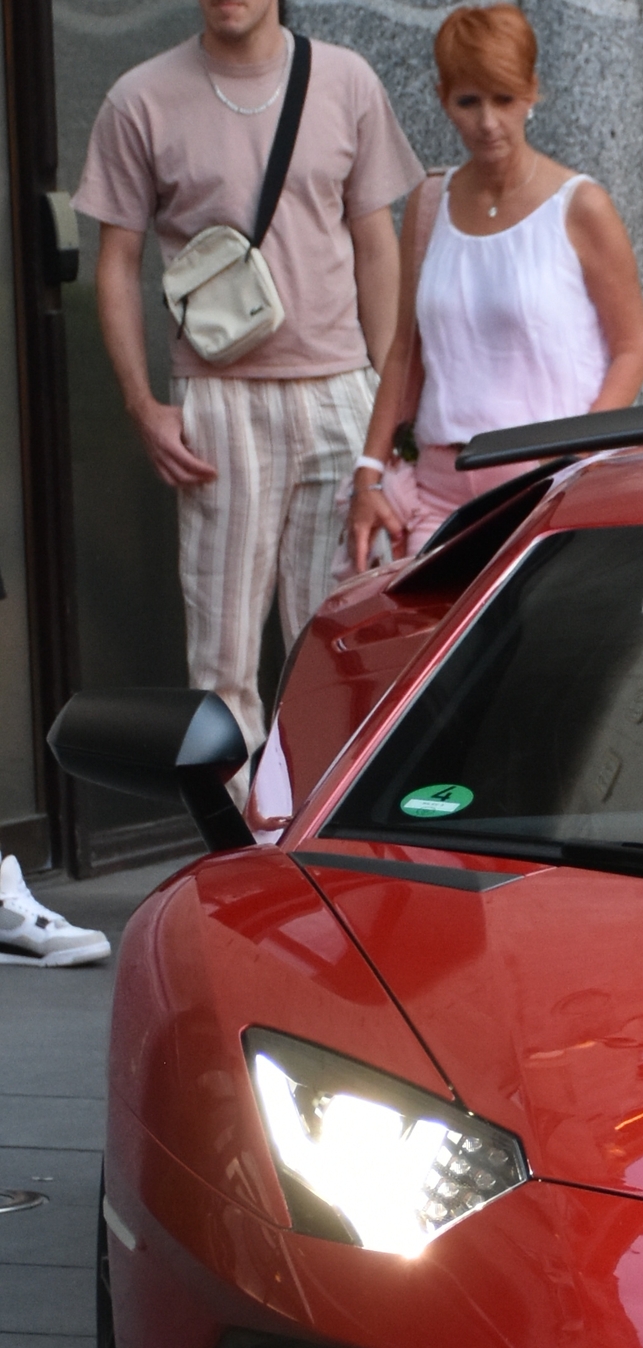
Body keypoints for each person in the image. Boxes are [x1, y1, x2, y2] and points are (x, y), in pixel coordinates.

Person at [73, 0, 421, 780]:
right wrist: (141, 402)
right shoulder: (141, 97)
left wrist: (384, 401)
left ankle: (329, 851)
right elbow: (117, 263)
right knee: (223, 661)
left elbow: (376, 244)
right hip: (218, 405)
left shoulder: (346, 80)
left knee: (339, 644)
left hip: (339, 393)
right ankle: (242, 868)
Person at [342, 4, 643, 568]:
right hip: (437, 489)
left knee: (537, 653)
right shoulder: (430, 203)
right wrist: (368, 473)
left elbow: (632, 346)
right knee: (428, 650)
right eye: (469, 101)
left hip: (542, 486)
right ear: (442, 99)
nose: (488, 122)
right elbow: (405, 352)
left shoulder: (579, 206)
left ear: (532, 92)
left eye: (504, 99)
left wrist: (575, 460)